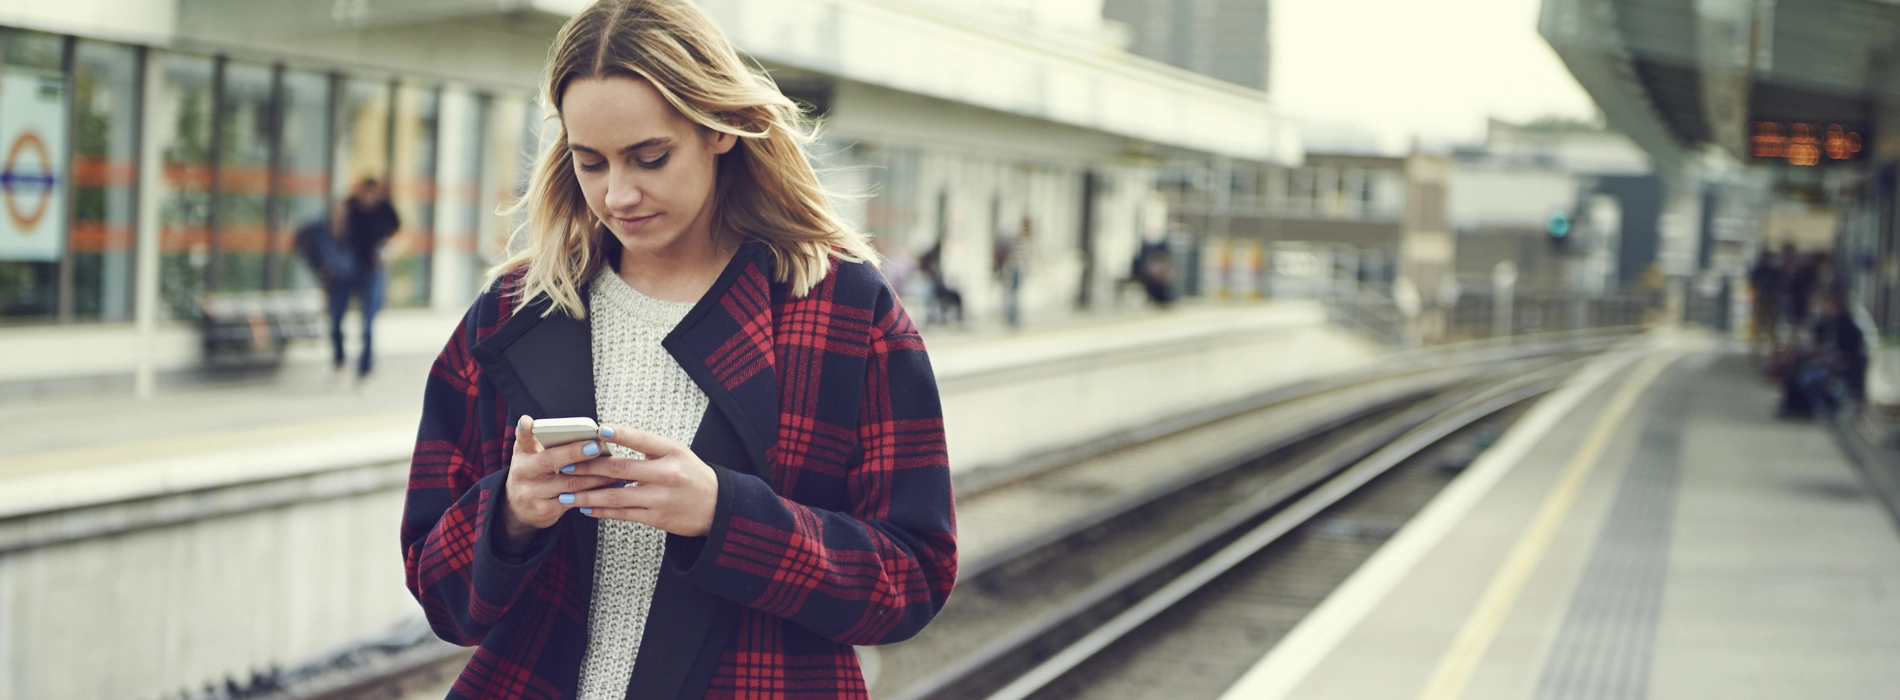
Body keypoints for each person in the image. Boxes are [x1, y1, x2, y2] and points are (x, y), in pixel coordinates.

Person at [400, 2, 957, 698]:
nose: (618, 194)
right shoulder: (514, 314)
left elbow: (913, 577)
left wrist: (726, 515)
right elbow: (441, 598)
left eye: (650, 157)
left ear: (721, 130)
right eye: (590, 162)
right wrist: (509, 514)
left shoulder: (845, 312)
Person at [329, 177, 400, 381]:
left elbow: (399, 233)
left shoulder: (384, 209)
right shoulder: (348, 207)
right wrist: (339, 214)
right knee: (336, 318)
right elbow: (336, 234)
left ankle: (365, 370)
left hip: (372, 270)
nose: (368, 199)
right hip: (347, 270)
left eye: (372, 194)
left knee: (368, 323)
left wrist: (389, 251)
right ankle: (339, 361)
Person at [1779, 291, 1867, 419]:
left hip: (1841, 367)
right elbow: (1818, 342)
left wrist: (1826, 360)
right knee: (1796, 368)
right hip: (1827, 363)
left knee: (1809, 377)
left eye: (1827, 305)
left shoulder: (1848, 327)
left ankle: (1821, 407)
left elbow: (1848, 355)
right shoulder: (1826, 322)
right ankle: (1796, 408)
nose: (1824, 308)